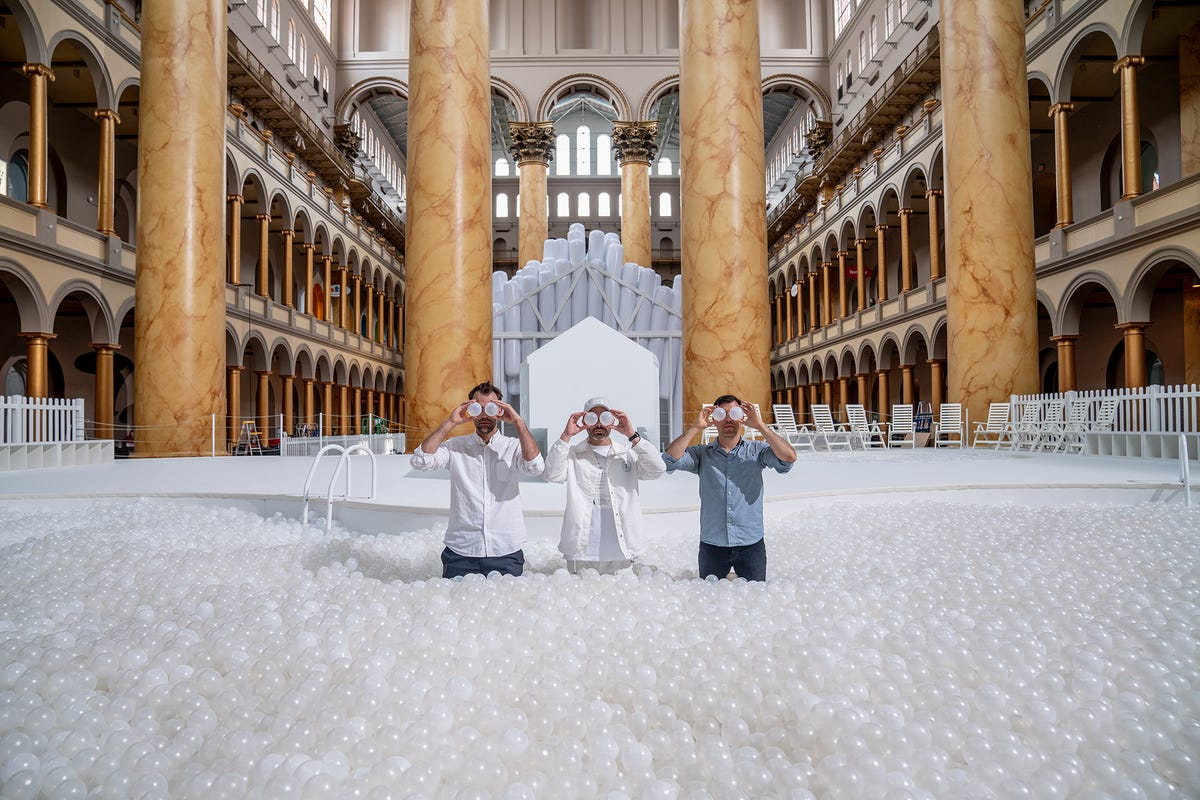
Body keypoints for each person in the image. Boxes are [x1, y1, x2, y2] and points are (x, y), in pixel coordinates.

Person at [410, 381, 544, 578]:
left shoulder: (513, 447)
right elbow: (420, 461)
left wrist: (517, 421)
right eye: (477, 409)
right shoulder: (456, 446)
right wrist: (450, 422)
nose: (484, 416)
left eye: (490, 408)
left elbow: (536, 467)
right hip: (461, 552)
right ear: (469, 410)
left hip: (505, 551)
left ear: (500, 411)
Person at [663, 394, 797, 581]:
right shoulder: (703, 454)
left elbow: (788, 458)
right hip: (712, 545)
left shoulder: (757, 451)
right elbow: (669, 461)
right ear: (714, 419)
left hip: (750, 543)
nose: (727, 419)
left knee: (755, 600)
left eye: (733, 413)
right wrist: (695, 427)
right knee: (710, 602)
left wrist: (760, 425)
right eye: (721, 414)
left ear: (741, 418)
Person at [543, 397, 667, 573]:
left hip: (622, 549)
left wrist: (631, 434)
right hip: (582, 549)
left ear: (613, 421)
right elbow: (551, 474)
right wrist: (566, 435)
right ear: (585, 421)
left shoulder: (627, 453)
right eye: (593, 418)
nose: (599, 424)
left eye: (605, 418)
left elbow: (658, 469)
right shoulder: (573, 454)